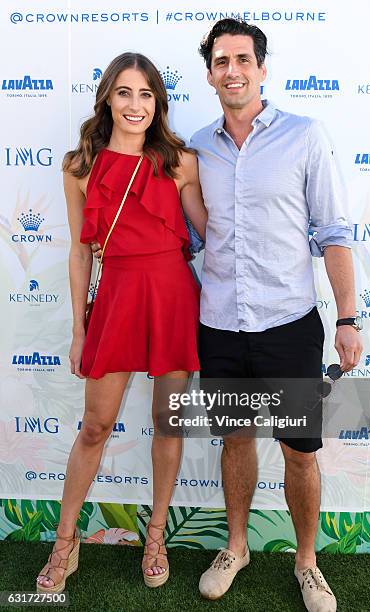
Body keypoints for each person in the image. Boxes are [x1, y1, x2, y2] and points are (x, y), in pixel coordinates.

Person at [190, 18, 363, 612]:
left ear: (262, 68)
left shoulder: (305, 136)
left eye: (243, 58)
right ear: (210, 73)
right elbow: (190, 239)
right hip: (219, 324)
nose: (232, 69)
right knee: (235, 439)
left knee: (299, 450)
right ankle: (235, 547)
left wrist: (347, 318)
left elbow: (334, 232)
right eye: (220, 60)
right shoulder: (196, 150)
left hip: (289, 325)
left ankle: (307, 562)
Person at [36, 52, 207, 593]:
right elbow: (80, 252)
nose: (136, 105)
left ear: (158, 103)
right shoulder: (79, 167)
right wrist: (79, 328)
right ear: (108, 98)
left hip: (174, 298)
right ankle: (65, 543)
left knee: (167, 423)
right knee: (94, 428)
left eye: (147, 94)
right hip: (115, 301)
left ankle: (155, 536)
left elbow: (214, 233)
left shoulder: (180, 161)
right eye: (125, 93)